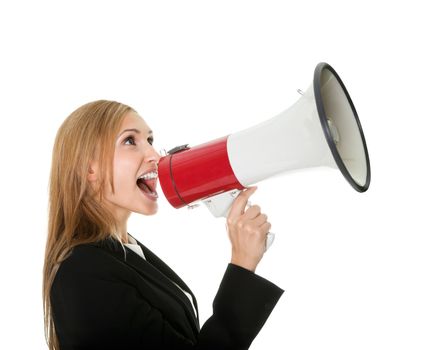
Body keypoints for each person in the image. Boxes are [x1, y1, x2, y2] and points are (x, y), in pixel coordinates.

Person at [43, 100, 284, 350]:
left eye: (150, 140)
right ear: (89, 169)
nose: (155, 156)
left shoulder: (124, 251)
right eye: (130, 141)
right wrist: (242, 264)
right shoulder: (84, 272)